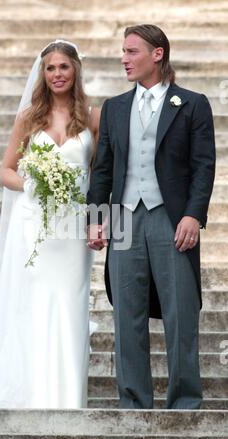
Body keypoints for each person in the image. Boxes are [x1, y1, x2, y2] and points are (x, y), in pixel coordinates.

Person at [0, 40, 100, 409]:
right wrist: (34, 184)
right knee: (33, 303)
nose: (57, 74)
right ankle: (28, 392)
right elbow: (5, 171)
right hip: (34, 224)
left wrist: (96, 215)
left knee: (69, 303)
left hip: (72, 227)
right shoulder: (29, 117)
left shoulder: (93, 118)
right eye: (51, 68)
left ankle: (66, 398)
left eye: (64, 67)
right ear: (42, 73)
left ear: (76, 70)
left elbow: (100, 173)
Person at [87, 24, 215, 409]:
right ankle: (133, 402)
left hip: (171, 217)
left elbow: (203, 166)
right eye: (123, 52)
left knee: (180, 312)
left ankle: (185, 403)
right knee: (127, 315)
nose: (124, 59)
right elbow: (103, 168)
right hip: (125, 216)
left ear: (157, 54)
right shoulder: (114, 107)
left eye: (131, 51)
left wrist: (193, 215)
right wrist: (95, 217)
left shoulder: (192, 103)